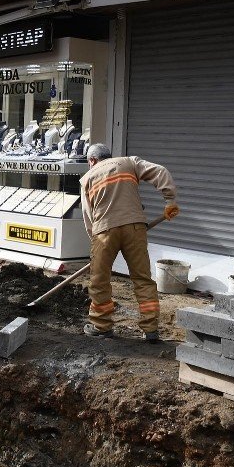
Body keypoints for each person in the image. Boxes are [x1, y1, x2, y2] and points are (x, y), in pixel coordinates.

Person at [80, 143, 179, 341]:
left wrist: (96, 245)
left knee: (99, 280)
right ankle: (151, 329)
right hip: (135, 228)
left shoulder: (87, 178)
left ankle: (102, 326)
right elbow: (161, 171)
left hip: (104, 231)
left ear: (92, 160)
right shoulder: (129, 162)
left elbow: (88, 216)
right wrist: (170, 201)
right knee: (142, 278)